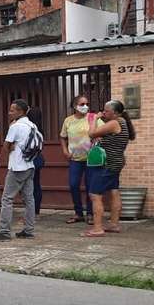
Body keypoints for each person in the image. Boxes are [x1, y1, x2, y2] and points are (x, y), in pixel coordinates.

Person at [83, 99, 136, 237]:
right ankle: (113, 224)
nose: (104, 113)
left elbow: (91, 133)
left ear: (115, 113)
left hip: (106, 163)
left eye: (107, 111)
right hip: (116, 162)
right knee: (114, 191)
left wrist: (94, 119)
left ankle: (97, 228)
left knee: (95, 195)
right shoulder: (122, 122)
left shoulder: (114, 123)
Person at [0, 99, 37, 241]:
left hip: (17, 166)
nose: (9, 112)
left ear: (20, 111)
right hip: (29, 165)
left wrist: (11, 145)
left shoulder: (15, 126)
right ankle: (29, 229)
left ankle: (4, 231)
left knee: (7, 198)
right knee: (29, 199)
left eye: (12, 110)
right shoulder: (32, 125)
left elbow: (6, 146)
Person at [60, 95, 102, 224]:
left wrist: (99, 138)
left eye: (86, 104)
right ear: (74, 106)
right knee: (73, 185)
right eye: (82, 104)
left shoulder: (92, 118)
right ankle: (78, 212)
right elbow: (63, 137)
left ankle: (90, 214)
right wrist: (65, 151)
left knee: (91, 186)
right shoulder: (68, 121)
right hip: (75, 159)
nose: (85, 107)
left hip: (91, 158)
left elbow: (103, 132)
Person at [27, 106, 45, 216]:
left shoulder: (29, 128)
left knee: (28, 186)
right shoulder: (40, 129)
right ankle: (36, 210)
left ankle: (31, 211)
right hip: (37, 159)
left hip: (29, 159)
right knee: (36, 185)